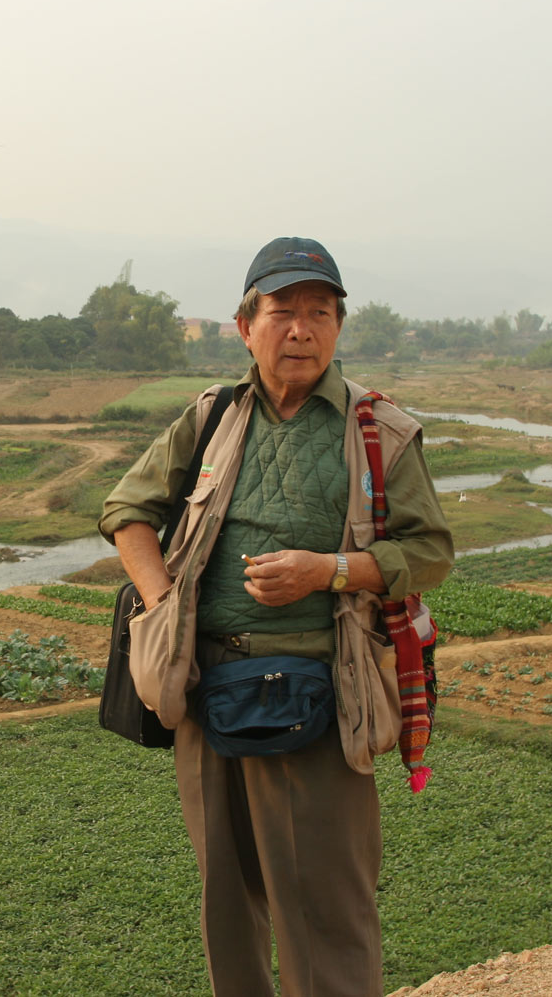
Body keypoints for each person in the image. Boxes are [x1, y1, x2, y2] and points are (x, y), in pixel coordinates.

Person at [98, 237, 454, 997]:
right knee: (227, 904)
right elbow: (127, 508)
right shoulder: (212, 418)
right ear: (244, 326)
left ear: (338, 327)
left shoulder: (378, 432)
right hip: (206, 688)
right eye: (282, 312)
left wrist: (328, 572)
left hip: (323, 696)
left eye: (319, 313)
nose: (301, 329)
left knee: (326, 910)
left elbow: (429, 553)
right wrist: (165, 605)